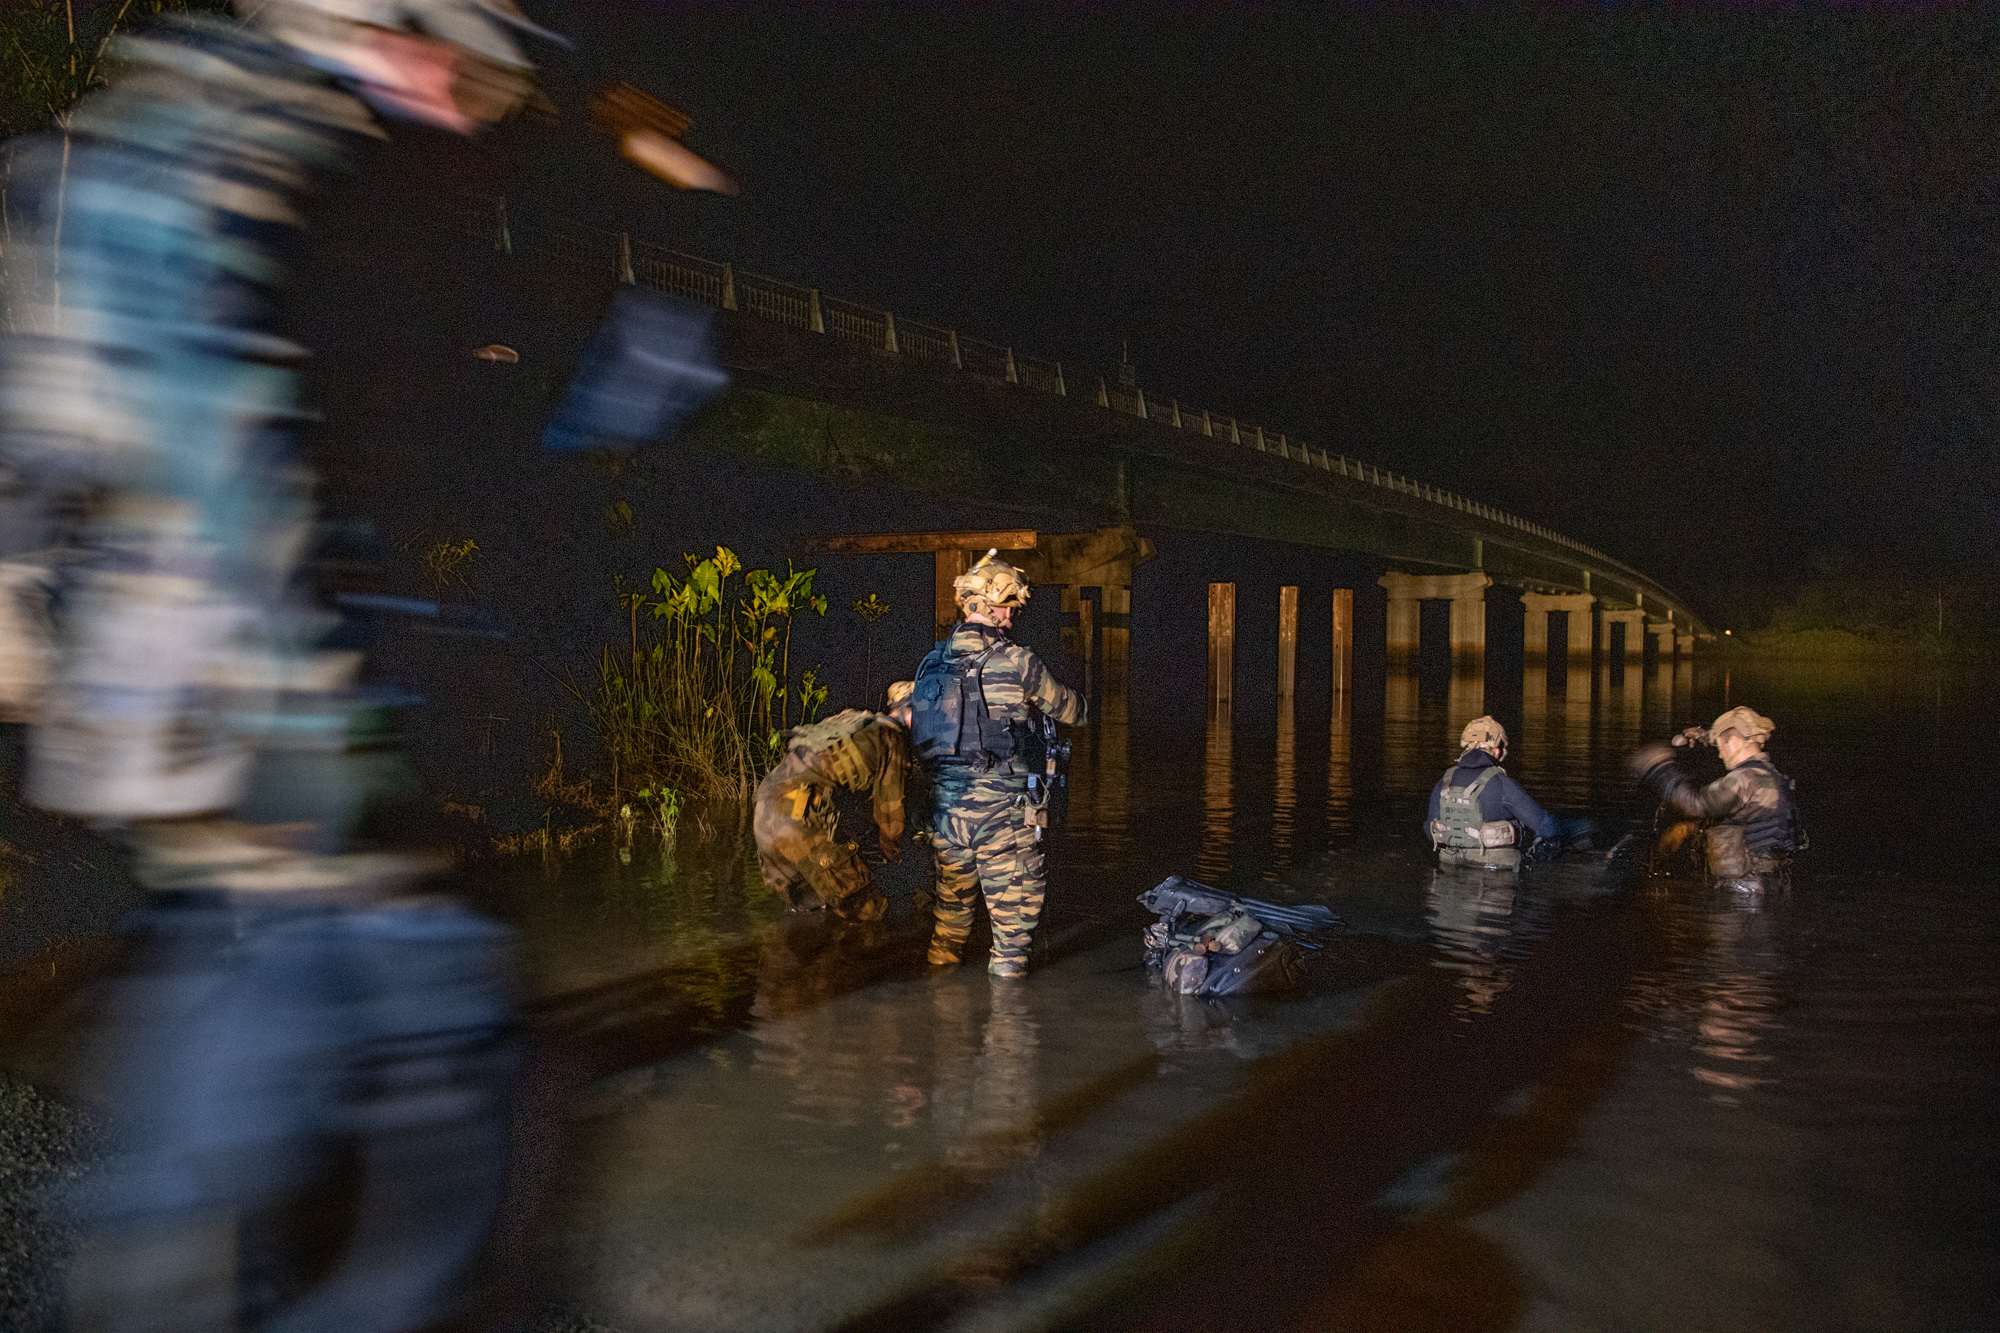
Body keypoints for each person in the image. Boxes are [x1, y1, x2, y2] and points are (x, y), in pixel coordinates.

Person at [0, 4, 729, 1329]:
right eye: (448, 67)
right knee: (362, 1081)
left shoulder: (324, 187)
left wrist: (612, 369)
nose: (464, 111)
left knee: (433, 1080)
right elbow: (83, 415)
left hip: (314, 744)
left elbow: (425, 427)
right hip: (251, 741)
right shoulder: (175, 163)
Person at [910, 551, 1086, 977]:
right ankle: (1010, 1035)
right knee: (1010, 950)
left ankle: (939, 1012)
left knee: (946, 933)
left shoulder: (931, 663)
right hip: (1002, 819)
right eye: (1007, 606)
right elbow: (1074, 712)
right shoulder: (1018, 662)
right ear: (987, 605)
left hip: (945, 817)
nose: (1012, 614)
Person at [753, 681, 914, 921]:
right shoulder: (891, 737)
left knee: (805, 915)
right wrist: (900, 863)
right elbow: (890, 818)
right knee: (867, 911)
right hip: (796, 822)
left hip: (764, 813)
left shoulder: (853, 720)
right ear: (909, 712)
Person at [1631, 705, 1800, 884]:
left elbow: (1696, 805)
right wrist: (1706, 737)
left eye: (1720, 745)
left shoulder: (1744, 779)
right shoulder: (1770, 775)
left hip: (1748, 887)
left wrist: (1660, 769)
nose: (1720, 755)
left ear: (1735, 740)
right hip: (1774, 880)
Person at [1427, 715, 1558, 871]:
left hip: (1450, 866)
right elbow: (1546, 827)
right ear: (1497, 751)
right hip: (1498, 875)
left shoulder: (1444, 782)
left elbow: (1429, 832)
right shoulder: (1502, 783)